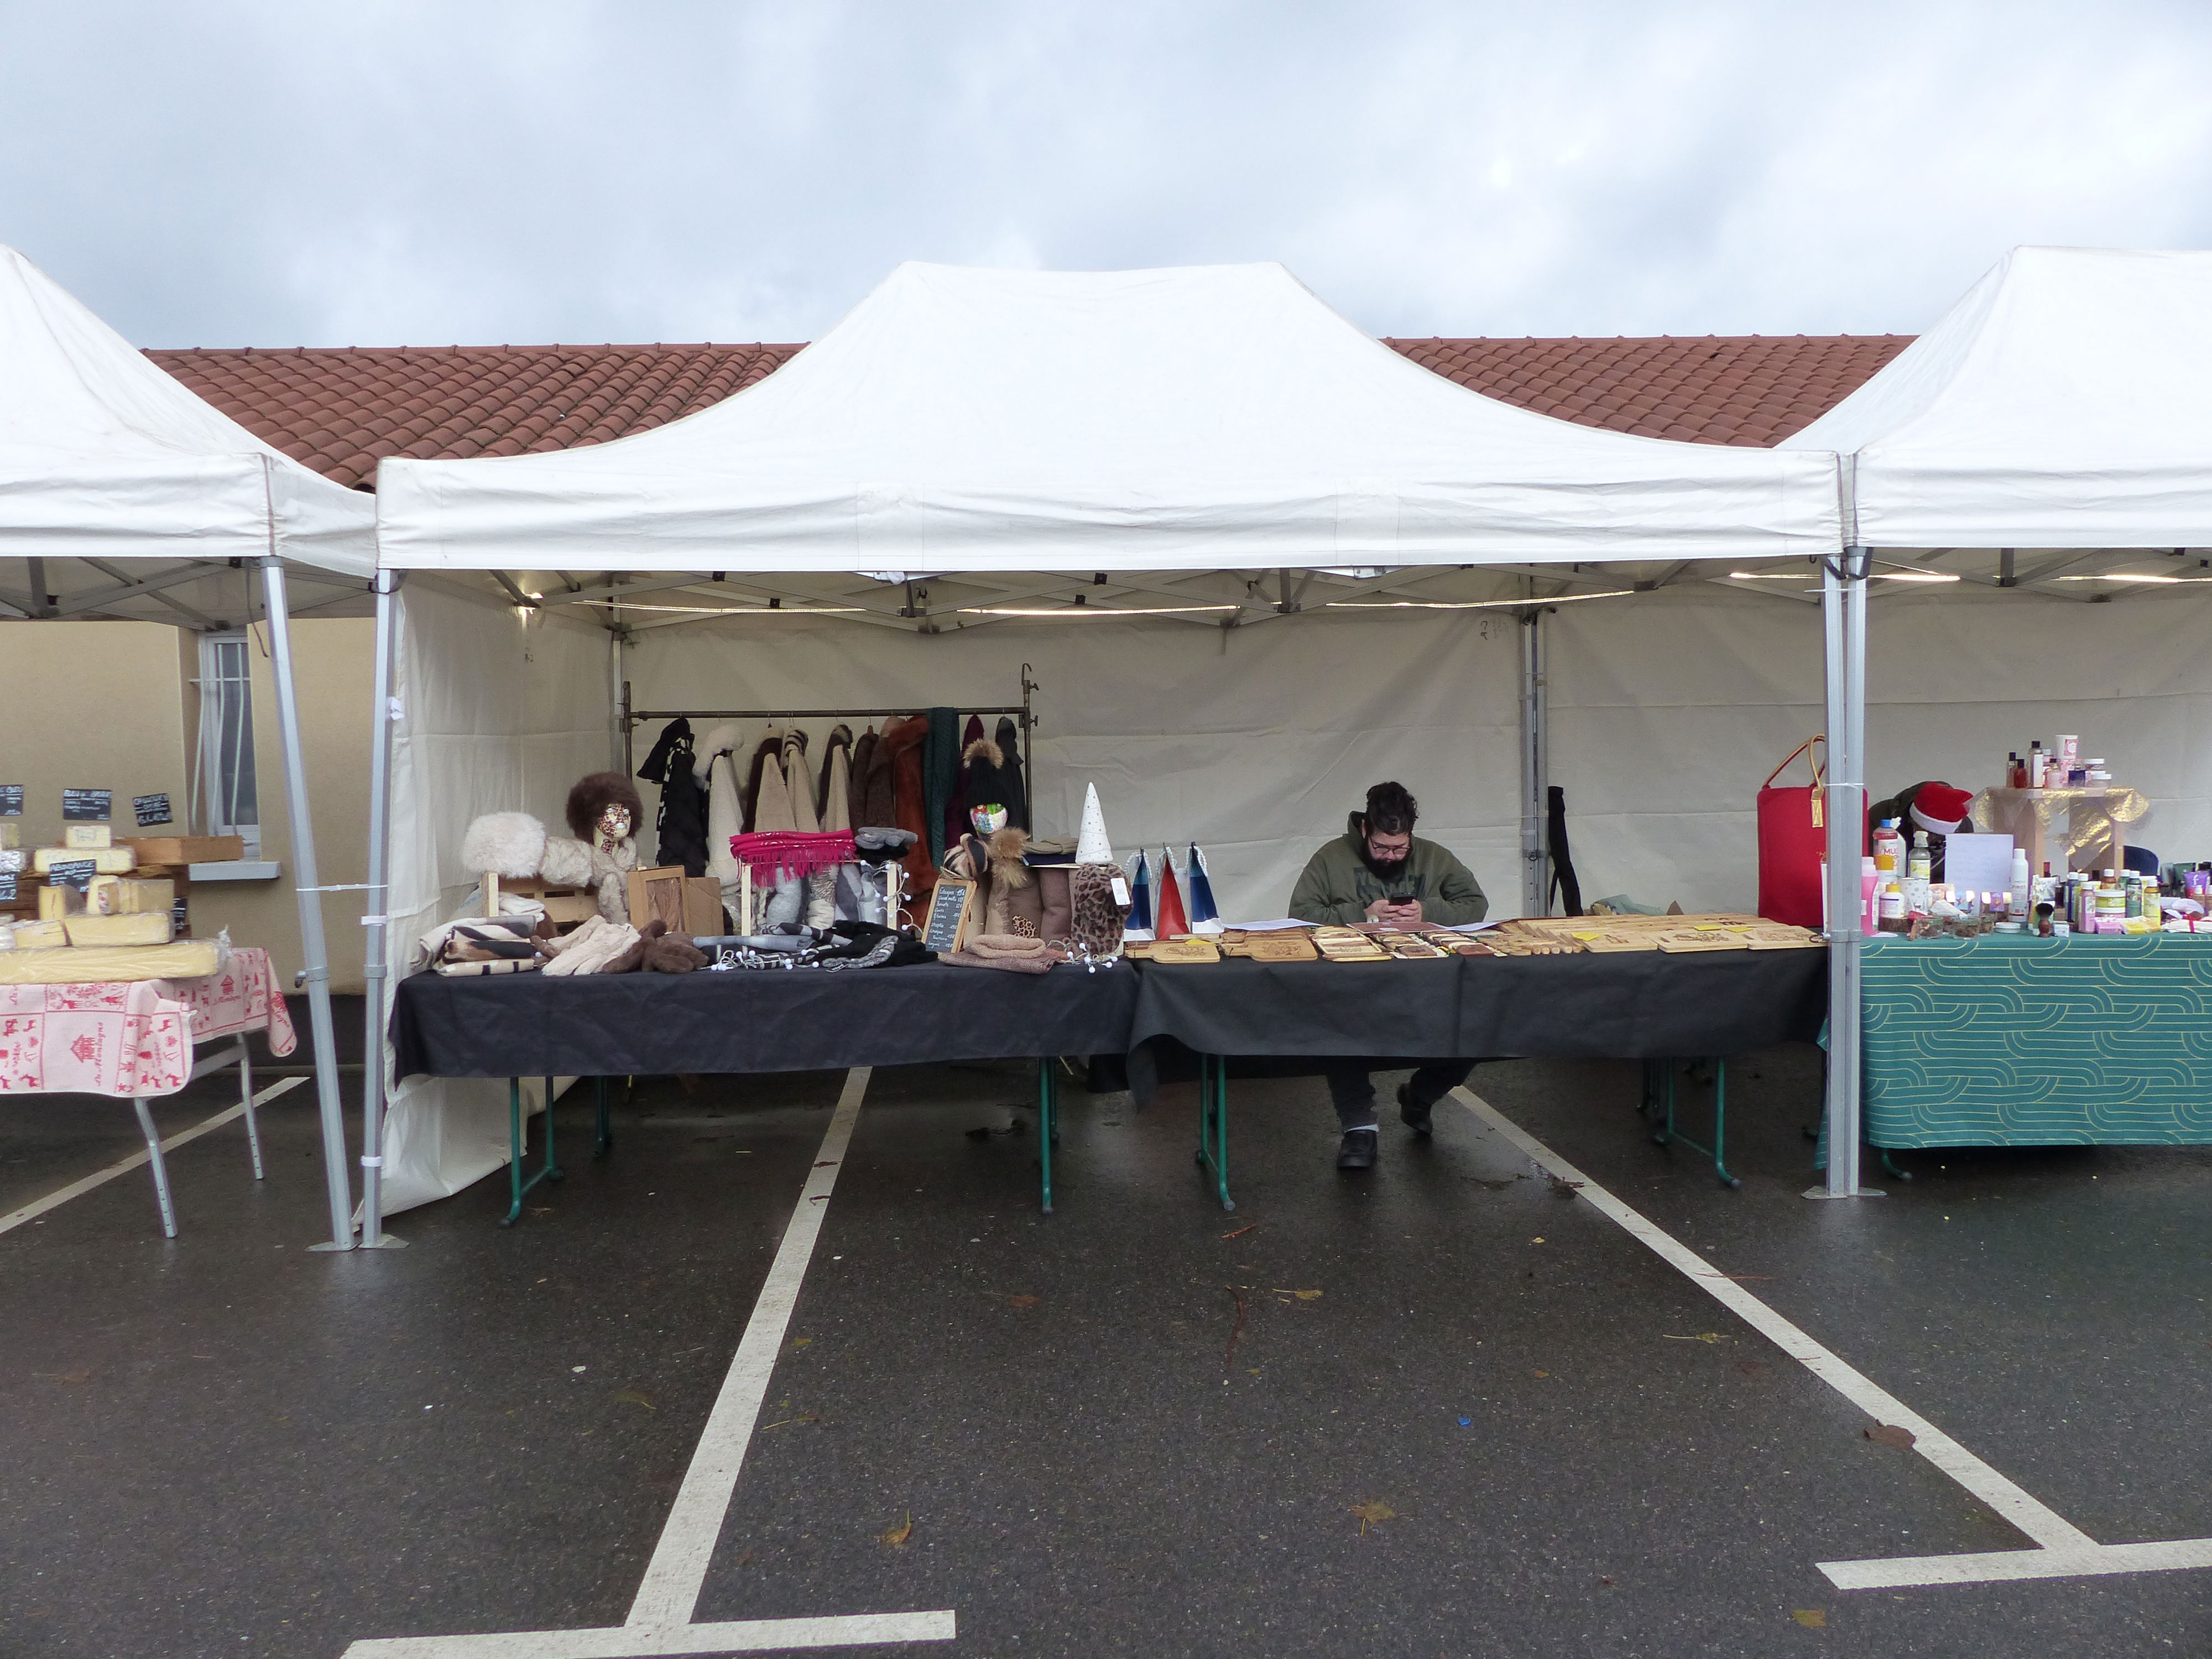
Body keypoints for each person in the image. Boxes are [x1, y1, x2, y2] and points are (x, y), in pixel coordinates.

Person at [1287, 781, 1488, 1171]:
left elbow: (1475, 904)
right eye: (1381, 848)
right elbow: (1301, 914)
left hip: (1426, 978)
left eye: (1400, 848)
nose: (1391, 856)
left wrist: (1428, 912)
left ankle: (1422, 1094)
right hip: (1354, 980)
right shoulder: (1330, 858)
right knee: (1341, 1035)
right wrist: (1362, 914)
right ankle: (1359, 1127)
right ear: (1365, 830)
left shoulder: (1434, 856)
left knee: (1476, 1022)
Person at [1865, 780, 1974, 882]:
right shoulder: (1881, 815)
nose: (1928, 839)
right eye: (1925, 831)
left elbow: (1958, 872)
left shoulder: (1963, 828)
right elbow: (1865, 862)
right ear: (1912, 819)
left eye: (1937, 836)